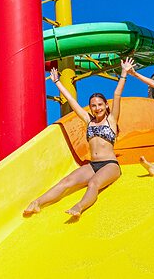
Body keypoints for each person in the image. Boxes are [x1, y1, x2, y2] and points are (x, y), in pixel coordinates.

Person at [23, 65, 128, 221]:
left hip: (110, 165)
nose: (97, 108)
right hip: (93, 165)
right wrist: (57, 82)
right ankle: (38, 202)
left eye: (100, 104)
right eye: (93, 105)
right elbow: (72, 101)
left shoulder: (111, 120)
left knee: (93, 184)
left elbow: (117, 94)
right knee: (67, 182)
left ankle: (79, 206)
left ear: (106, 105)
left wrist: (124, 73)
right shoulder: (88, 120)